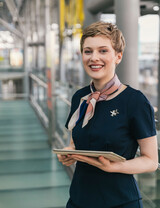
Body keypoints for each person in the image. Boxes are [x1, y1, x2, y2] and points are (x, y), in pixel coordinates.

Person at [57, 21, 158, 208]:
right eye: (88, 51)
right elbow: (75, 142)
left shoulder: (135, 101)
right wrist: (69, 153)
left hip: (119, 201)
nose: (94, 58)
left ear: (118, 56)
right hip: (79, 199)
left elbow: (151, 161)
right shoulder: (80, 97)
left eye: (103, 51)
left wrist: (114, 167)